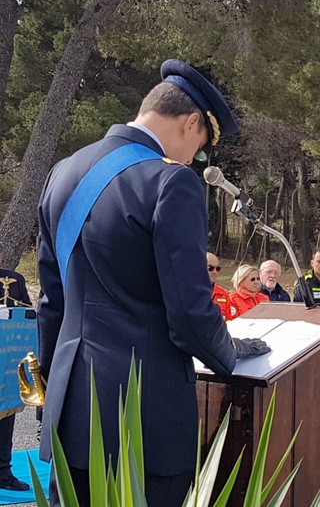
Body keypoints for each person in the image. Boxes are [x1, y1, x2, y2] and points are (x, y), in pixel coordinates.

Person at [37, 59, 269, 506]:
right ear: (191, 122)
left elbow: (53, 302)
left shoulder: (62, 172)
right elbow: (188, 315)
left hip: (71, 412)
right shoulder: (171, 182)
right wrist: (230, 351)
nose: (195, 160)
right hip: (143, 418)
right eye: (200, 149)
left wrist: (53, 387)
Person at [0, 251, 31, 491]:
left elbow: (29, 314)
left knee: (7, 416)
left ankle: (3, 472)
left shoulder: (15, 279)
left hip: (7, 362)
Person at [208, 252, 234, 321]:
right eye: (210, 268)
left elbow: (228, 321)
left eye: (218, 269)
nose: (215, 272)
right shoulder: (189, 293)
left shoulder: (223, 294)